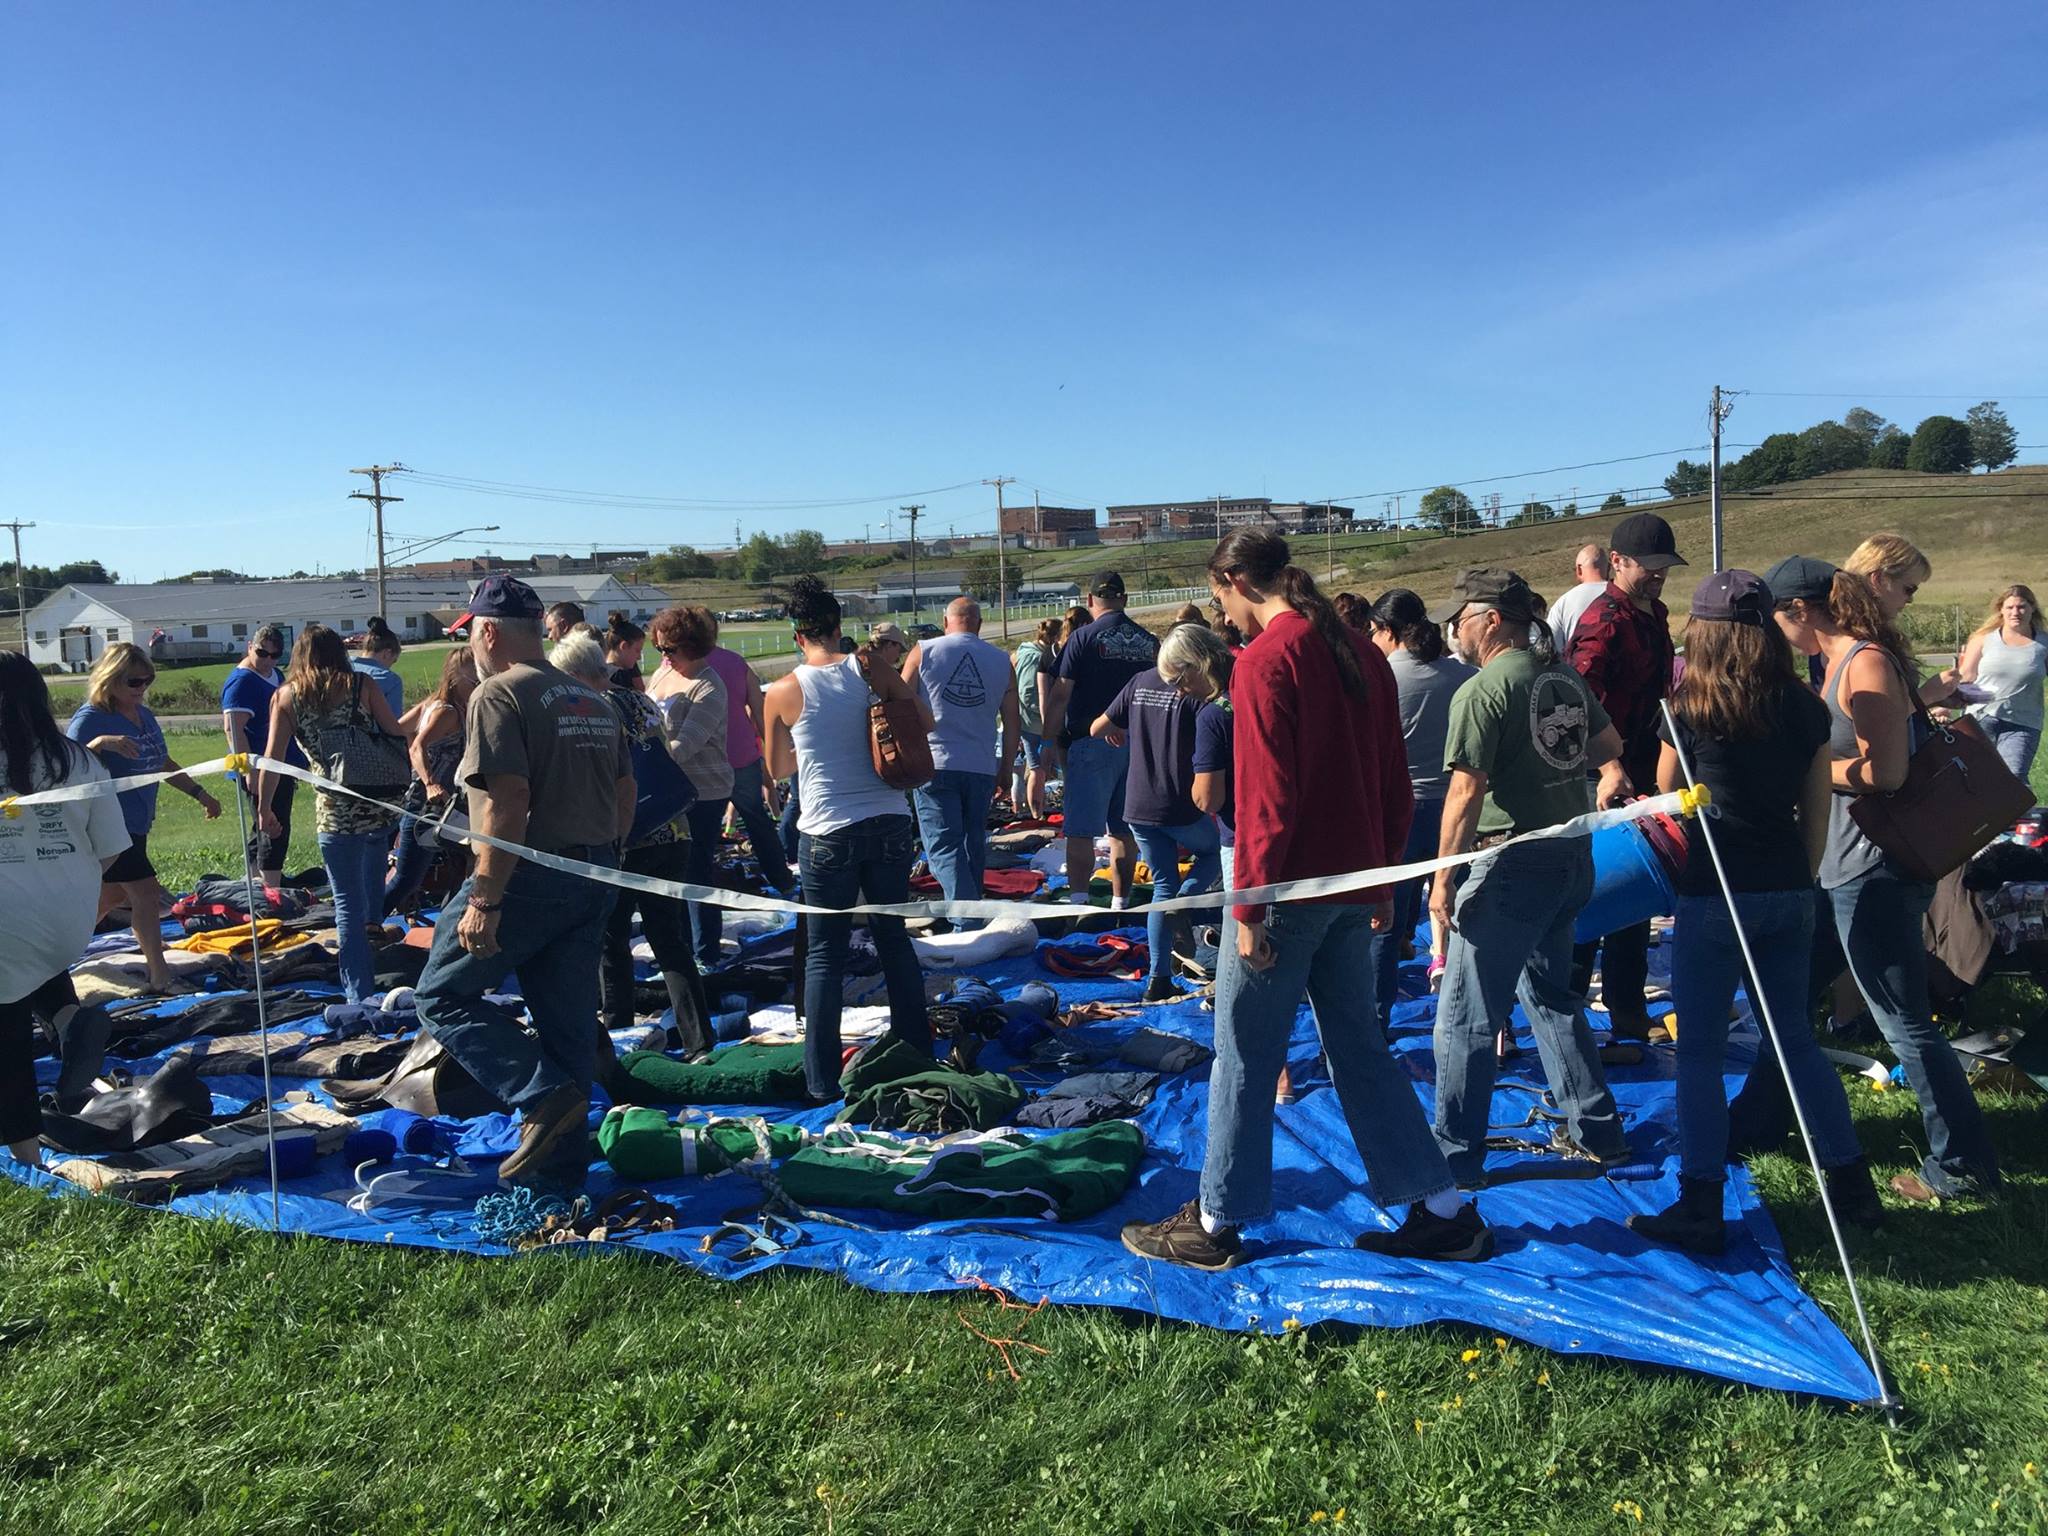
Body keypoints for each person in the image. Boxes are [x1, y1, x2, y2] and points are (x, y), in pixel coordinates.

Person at [1121, 530, 1487, 1269]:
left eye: (1220, 598)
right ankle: (1442, 1210)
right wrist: (1383, 880)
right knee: (1361, 1050)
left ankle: (1216, 1222)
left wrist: (1248, 909)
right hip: (1351, 887)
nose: (1224, 616)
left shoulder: (1265, 661)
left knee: (1244, 1053)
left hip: (1286, 891)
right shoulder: (1361, 653)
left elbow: (1267, 800)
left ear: (1235, 581)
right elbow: (1391, 779)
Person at [1728, 555, 2002, 1204]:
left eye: (1775, 621)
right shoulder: (1838, 662)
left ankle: (1964, 1166)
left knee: (1903, 1022)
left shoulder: (1865, 662)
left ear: (1800, 611)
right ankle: (1758, 1121)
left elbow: (1888, 773)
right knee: (1789, 999)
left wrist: (1805, 768)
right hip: (1841, 866)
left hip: (1873, 870)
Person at [1628, 571, 1883, 1253]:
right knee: (1794, 1039)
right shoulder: (1803, 707)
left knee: (1700, 1053)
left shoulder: (1686, 709)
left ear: (1702, 635)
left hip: (1714, 893)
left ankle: (1701, 1202)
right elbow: (1817, 813)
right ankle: (1853, 1187)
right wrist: (1800, 882)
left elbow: (1665, 793)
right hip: (1789, 889)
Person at [415, 575, 633, 1191]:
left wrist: (485, 898)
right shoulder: (593, 698)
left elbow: (507, 802)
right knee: (567, 1024)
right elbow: (625, 793)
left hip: (529, 873)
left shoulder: (499, 694)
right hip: (593, 872)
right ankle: (557, 1181)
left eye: (468, 635)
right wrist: (606, 859)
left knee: (441, 995)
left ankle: (539, 1095)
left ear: (487, 631)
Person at [1428, 569, 1632, 1187]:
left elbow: (1465, 794)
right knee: (1551, 998)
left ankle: (1454, 1159)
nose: (1454, 632)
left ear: (1490, 620)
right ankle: (1598, 1132)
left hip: (1510, 865)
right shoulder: (1561, 675)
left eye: (1459, 619)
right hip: (1570, 859)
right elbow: (1608, 746)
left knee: (1465, 1019)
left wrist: (1442, 879)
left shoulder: (1483, 690)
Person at [762, 577, 933, 1099]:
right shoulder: (870, 669)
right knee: (893, 939)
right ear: (839, 628)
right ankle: (917, 1052)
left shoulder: (783, 691)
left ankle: (820, 1079)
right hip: (887, 819)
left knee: (824, 955)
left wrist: (816, 745)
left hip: (826, 830)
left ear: (797, 636)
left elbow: (778, 768)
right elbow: (922, 720)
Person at [550, 633, 716, 1058]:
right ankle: (699, 1038)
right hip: (671, 828)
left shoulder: (585, 712)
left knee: (612, 940)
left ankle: (620, 1034)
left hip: (622, 836)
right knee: (669, 940)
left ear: (571, 675)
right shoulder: (641, 701)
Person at [2, 654, 131, 1162]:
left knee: (6, 1031)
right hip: (70, 922)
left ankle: (25, 1151)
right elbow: (112, 849)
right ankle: (68, 1017)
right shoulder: (80, 760)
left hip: (8, 921)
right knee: (26, 957)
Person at [1567, 512, 1685, 1040]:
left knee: (1636, 903)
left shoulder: (1654, 613)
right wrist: (1607, 766)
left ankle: (1628, 1016)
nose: (1659, 575)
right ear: (1617, 562)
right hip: (1601, 779)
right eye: (1649, 565)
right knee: (1592, 899)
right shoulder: (1603, 622)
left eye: (1665, 566)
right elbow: (1574, 701)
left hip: (1643, 773)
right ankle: (1568, 1021)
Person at [256, 625, 407, 1003]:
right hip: (377, 806)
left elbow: (273, 758)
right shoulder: (362, 686)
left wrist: (264, 807)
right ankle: (376, 943)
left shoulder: (287, 697)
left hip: (335, 814)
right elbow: (395, 733)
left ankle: (359, 991)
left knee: (346, 906)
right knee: (372, 891)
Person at [66, 643, 222, 993]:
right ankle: (159, 974)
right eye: (134, 681)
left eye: (147, 680)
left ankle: (56, 952)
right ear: (110, 679)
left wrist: (199, 793)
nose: (142, 688)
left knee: (109, 897)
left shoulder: (145, 715)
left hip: (138, 824)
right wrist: (100, 743)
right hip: (108, 826)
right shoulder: (90, 718)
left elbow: (162, 761)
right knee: (146, 892)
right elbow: (66, 766)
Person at [1092, 627, 1223, 1002]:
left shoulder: (1140, 682)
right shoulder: (1196, 689)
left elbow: (1097, 727)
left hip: (1138, 804)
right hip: (1178, 800)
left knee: (1162, 886)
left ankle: (1158, 979)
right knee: (1215, 852)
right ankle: (1185, 902)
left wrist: (1120, 730)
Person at [1364, 589, 1475, 1027]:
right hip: (1458, 809)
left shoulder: (1379, 678)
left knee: (1384, 922)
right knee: (1461, 914)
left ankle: (1375, 1022)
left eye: (1373, 632)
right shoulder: (1464, 676)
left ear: (1388, 631)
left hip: (1400, 812)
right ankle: (1478, 1018)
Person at [1042, 572, 1160, 908]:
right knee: (1123, 830)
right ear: (1124, 599)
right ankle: (1121, 902)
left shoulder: (1082, 638)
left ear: (1090, 600)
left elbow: (1060, 695)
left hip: (1091, 740)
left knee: (1081, 830)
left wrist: (1047, 743)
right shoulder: (1149, 641)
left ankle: (1080, 903)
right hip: (1139, 745)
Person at [904, 596, 1020, 923]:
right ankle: (971, 912)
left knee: (943, 847)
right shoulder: (1001, 661)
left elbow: (897, 704)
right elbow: (1012, 722)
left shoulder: (923, 651)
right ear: (979, 625)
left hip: (935, 762)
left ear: (945, 622)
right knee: (972, 844)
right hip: (981, 765)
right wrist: (1006, 767)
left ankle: (966, 920)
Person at [670, 606, 797, 903]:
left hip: (698, 763)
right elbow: (760, 712)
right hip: (740, 756)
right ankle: (782, 880)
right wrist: (769, 749)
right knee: (757, 821)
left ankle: (703, 891)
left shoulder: (675, 666)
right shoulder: (736, 662)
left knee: (701, 837)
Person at [646, 607, 739, 966]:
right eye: (659, 649)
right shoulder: (661, 674)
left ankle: (705, 954)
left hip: (704, 793)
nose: (664, 656)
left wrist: (640, 758)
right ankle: (680, 951)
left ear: (694, 645)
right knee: (670, 874)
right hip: (666, 790)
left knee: (696, 873)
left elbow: (686, 746)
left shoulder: (709, 686)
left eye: (670, 649)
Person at [384, 648, 480, 916]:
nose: (478, 684)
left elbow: (396, 731)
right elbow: (418, 746)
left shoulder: (430, 704)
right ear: (457, 677)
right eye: (474, 679)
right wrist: (429, 781)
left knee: (458, 868)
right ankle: (367, 924)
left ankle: (449, 919)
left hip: (444, 805)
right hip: (429, 805)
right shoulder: (447, 712)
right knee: (407, 879)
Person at [221, 625, 304, 889]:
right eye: (262, 653)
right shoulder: (242, 682)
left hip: (280, 762)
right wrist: (250, 771)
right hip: (260, 766)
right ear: (250, 647)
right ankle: (271, 886)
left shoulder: (275, 674)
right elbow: (233, 729)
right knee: (272, 825)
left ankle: (257, 879)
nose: (268, 660)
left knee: (265, 825)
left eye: (274, 655)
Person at [1842, 534, 1958, 707]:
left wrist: (1932, 701)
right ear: (1878, 580)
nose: (1910, 599)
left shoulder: (1867, 632)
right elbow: (1877, 718)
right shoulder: (1860, 647)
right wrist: (1927, 695)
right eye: (1908, 589)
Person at [1956, 584, 2046, 779]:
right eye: (2010, 607)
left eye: (2021, 607)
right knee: (1977, 778)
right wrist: (1944, 704)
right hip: (1981, 718)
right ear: (2001, 610)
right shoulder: (1983, 639)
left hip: (2023, 723)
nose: (2016, 612)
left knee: (2013, 777)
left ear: (2032, 608)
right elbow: (1966, 676)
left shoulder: (2043, 644)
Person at [1011, 617, 1059, 817]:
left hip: (1029, 722)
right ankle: (1036, 813)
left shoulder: (1023, 651)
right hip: (1034, 725)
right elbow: (1029, 693)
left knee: (1038, 770)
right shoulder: (1036, 658)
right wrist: (1048, 716)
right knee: (1037, 770)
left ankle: (1037, 809)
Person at [1547, 543, 1612, 656]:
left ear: (1579, 569)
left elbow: (1552, 648)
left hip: (1578, 665)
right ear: (1609, 568)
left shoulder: (1563, 603)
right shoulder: (1624, 596)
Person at [352, 618, 406, 717]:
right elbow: (394, 721)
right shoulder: (390, 679)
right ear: (387, 653)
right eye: (394, 661)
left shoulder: (342, 667)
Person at [603, 610, 647, 690]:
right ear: (624, 646)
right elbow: (640, 689)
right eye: (637, 650)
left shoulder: (598, 671)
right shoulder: (620, 676)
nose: (639, 657)